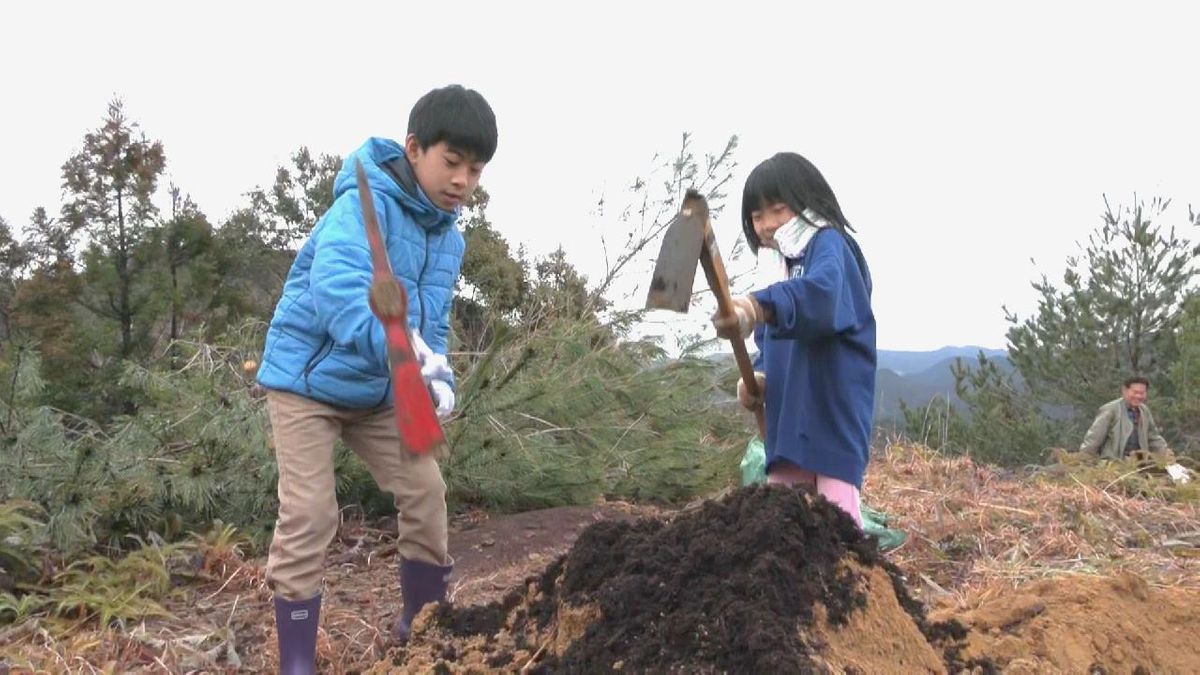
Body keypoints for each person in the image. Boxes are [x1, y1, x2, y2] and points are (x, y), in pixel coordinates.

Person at [255, 84, 497, 673]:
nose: (462, 180)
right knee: (311, 514)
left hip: (378, 390)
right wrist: (404, 349)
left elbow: (430, 324)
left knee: (426, 491)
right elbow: (337, 295)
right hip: (305, 383)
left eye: (476, 169)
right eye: (452, 161)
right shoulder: (362, 207)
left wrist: (434, 375)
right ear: (414, 148)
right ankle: (295, 659)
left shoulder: (450, 236)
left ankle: (422, 629)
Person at [711, 152, 875, 528]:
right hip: (787, 423)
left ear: (807, 203)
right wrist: (760, 377)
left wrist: (756, 306)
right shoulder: (780, 266)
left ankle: (857, 584)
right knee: (782, 528)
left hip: (830, 418)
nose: (766, 225)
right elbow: (771, 341)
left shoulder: (829, 245)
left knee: (839, 529)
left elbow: (820, 297)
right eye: (756, 216)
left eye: (778, 210)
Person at [1078, 376, 1170, 460]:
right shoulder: (1110, 410)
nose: (1138, 396)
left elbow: (1153, 438)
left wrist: (1165, 454)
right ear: (1125, 390)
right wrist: (1084, 461)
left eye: (1142, 393)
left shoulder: (1144, 411)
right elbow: (1094, 439)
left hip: (1138, 464)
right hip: (1113, 466)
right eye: (1135, 392)